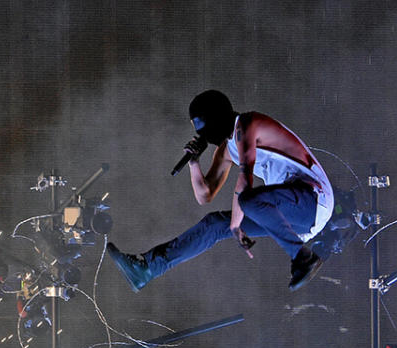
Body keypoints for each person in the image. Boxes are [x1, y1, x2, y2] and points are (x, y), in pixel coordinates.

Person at [107, 90, 333, 292]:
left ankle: (303, 258)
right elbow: (205, 195)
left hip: (313, 199)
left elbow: (245, 181)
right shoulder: (227, 150)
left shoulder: (247, 124)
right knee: (215, 224)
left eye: (205, 129)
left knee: (248, 201)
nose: (205, 136)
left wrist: (236, 225)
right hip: (291, 215)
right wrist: (194, 163)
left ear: (217, 118)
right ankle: (147, 268)